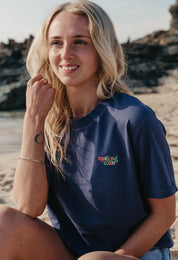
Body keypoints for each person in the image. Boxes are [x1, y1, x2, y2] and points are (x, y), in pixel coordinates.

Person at [0, 0, 177, 259]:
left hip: (136, 253)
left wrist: (117, 256)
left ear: (101, 48)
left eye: (80, 41)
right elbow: (28, 206)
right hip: (72, 252)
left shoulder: (135, 119)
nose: (66, 53)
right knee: (4, 222)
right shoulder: (48, 121)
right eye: (56, 42)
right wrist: (33, 119)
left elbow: (164, 214)